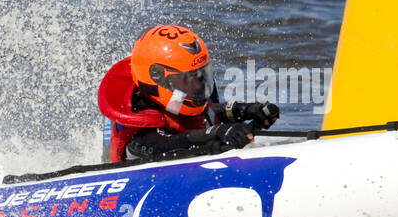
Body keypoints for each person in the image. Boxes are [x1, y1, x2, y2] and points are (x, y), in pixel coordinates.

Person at [98, 24, 280, 162]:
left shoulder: (175, 102)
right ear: (157, 78)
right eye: (187, 80)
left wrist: (249, 110)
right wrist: (216, 132)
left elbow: (206, 114)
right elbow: (164, 144)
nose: (198, 86)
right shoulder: (138, 124)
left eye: (201, 76)